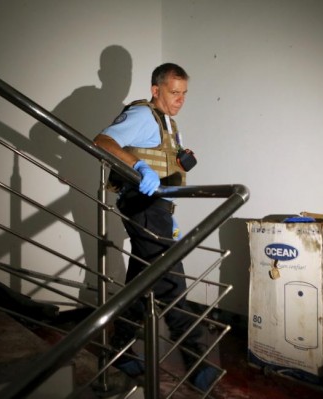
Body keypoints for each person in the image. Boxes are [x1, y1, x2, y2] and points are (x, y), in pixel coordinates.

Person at [93, 63, 218, 392]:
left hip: (158, 208)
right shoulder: (142, 115)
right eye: (174, 92)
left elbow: (171, 168)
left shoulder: (170, 125)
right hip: (141, 202)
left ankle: (119, 347)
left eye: (184, 93)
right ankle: (197, 359)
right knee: (170, 278)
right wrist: (138, 167)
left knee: (143, 278)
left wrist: (168, 210)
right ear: (155, 90)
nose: (180, 100)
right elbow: (102, 141)